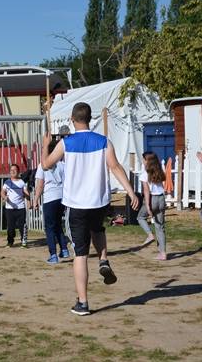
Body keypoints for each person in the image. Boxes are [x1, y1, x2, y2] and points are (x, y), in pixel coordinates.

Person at [42, 102, 139, 316]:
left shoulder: (66, 143)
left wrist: (45, 145)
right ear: (90, 118)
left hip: (77, 204)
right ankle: (103, 259)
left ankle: (83, 302)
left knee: (80, 254)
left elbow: (46, 165)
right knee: (98, 230)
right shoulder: (104, 141)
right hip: (99, 202)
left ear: (72, 118)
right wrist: (131, 192)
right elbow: (115, 167)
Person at [34, 140, 69, 264]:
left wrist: (36, 199)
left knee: (49, 227)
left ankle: (53, 254)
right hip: (62, 197)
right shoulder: (62, 164)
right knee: (58, 224)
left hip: (50, 198)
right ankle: (64, 249)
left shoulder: (42, 165)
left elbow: (40, 184)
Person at [136, 152, 168, 260]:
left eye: (143, 159)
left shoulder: (145, 173)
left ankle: (150, 235)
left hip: (152, 199)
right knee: (160, 227)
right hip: (161, 199)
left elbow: (146, 191)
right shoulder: (159, 171)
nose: (142, 161)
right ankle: (163, 253)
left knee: (140, 217)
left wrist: (148, 206)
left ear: (147, 161)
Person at [1, 164, 31, 248]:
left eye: (15, 170)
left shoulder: (22, 182)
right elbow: (2, 192)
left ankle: (24, 241)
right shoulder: (7, 182)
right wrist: (4, 197)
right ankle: (10, 242)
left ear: (18, 172)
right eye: (11, 170)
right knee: (10, 227)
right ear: (10, 172)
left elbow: (26, 193)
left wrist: (29, 202)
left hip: (20, 208)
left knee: (22, 225)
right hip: (9, 208)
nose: (13, 171)